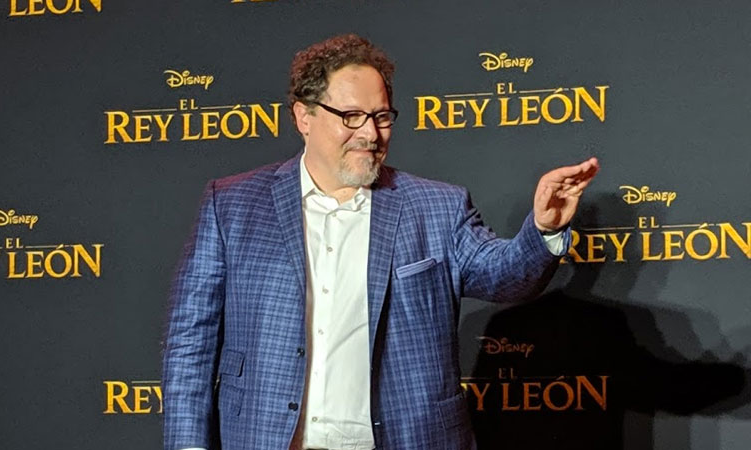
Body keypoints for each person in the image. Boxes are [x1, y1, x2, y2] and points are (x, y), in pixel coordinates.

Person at [162, 34, 599, 450]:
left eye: (382, 117)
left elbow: (507, 276)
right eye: (352, 116)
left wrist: (543, 230)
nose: (371, 134)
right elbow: (190, 344)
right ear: (304, 117)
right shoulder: (233, 205)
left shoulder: (437, 206)